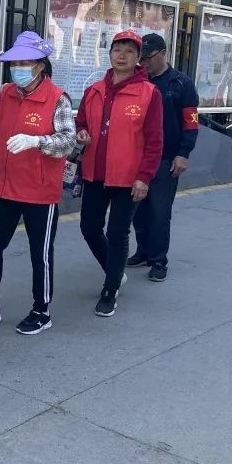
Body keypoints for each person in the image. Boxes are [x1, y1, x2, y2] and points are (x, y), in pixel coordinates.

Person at [0, 31, 76, 335]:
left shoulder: (57, 98)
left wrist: (36, 141)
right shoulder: (6, 92)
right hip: (7, 187)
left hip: (40, 191)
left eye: (25, 63)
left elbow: (68, 142)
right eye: (14, 63)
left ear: (40, 66)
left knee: (40, 253)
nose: (18, 68)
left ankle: (42, 310)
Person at [75, 29, 164, 318]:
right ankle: (113, 269)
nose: (122, 56)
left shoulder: (149, 93)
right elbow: (81, 122)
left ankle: (110, 289)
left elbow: (155, 141)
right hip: (95, 173)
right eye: (117, 50)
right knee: (89, 227)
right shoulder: (94, 90)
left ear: (138, 58)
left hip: (128, 178)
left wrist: (144, 177)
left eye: (129, 51)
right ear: (110, 54)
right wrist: (82, 132)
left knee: (117, 232)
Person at [129, 33, 200, 281]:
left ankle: (159, 260)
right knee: (138, 211)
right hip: (138, 158)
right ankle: (143, 251)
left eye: (148, 58)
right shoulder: (137, 82)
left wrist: (183, 153)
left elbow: (191, 123)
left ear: (163, 53)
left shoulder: (181, 84)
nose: (144, 63)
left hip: (166, 160)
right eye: (141, 59)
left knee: (159, 212)